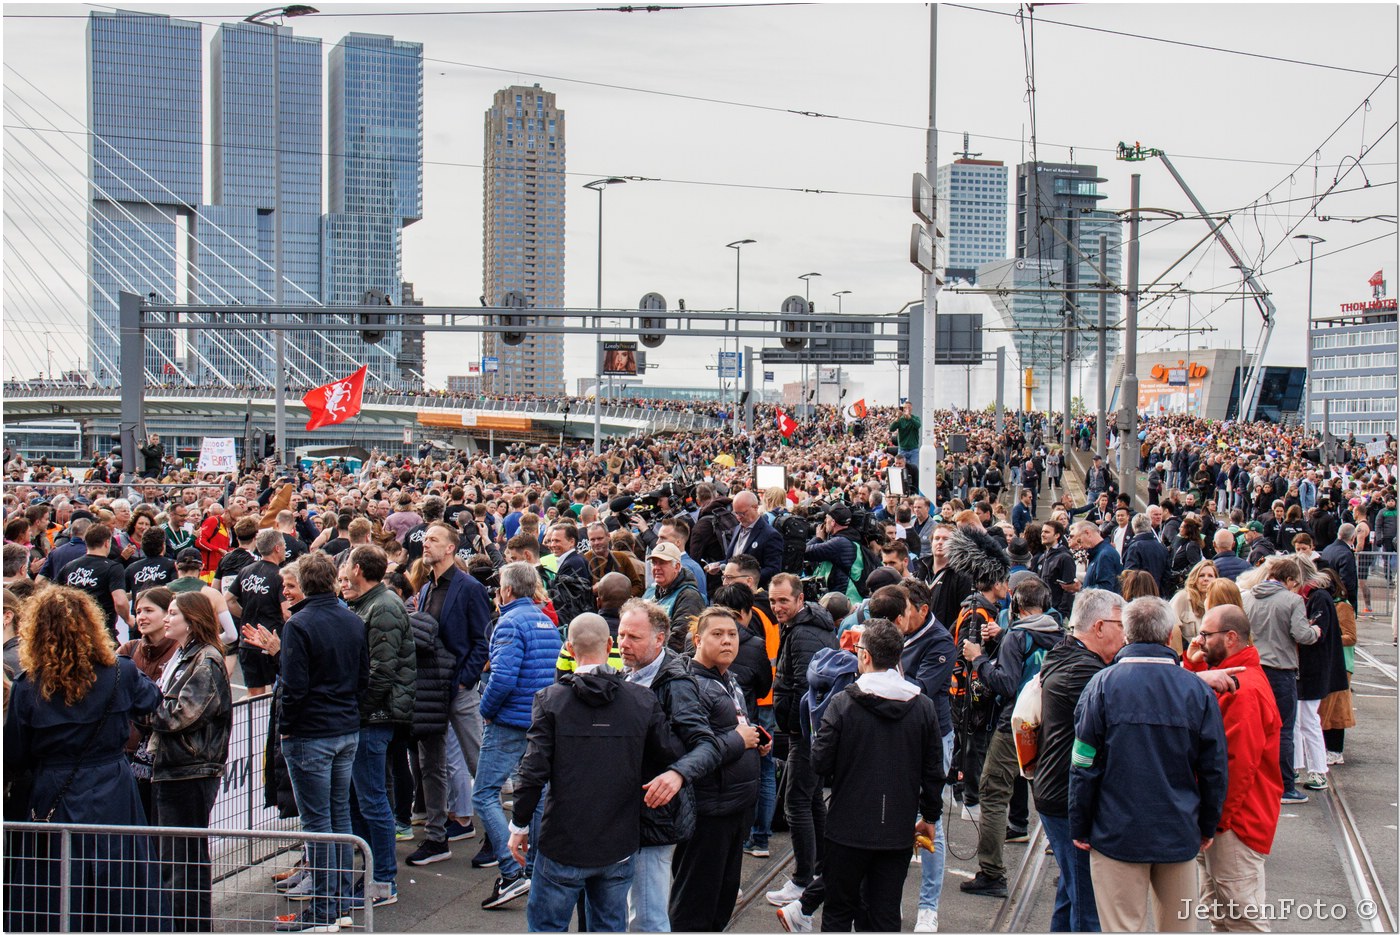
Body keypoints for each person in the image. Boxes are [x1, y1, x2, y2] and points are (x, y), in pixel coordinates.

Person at [4, 586, 166, 931]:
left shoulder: (27, 685)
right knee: (119, 875)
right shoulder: (120, 673)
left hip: (54, 787)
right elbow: (152, 701)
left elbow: (15, 753)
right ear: (91, 626)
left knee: (56, 880)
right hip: (112, 784)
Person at [507, 614, 681, 933]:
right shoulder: (641, 700)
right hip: (618, 840)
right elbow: (668, 754)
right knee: (609, 925)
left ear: (569, 649)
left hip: (563, 841)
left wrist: (519, 824)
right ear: (610, 645)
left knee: (547, 926)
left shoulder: (551, 701)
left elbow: (532, 771)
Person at [1070, 596, 1229, 933]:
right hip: (1178, 829)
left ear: (1126, 633)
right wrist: (1207, 825)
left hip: (1116, 832)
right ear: (1170, 633)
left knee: (1122, 926)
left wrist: (1080, 824)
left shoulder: (1101, 686)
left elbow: (1084, 763)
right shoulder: (1196, 691)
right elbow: (1215, 768)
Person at [808, 619, 944, 933]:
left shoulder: (843, 703)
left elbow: (819, 761)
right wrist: (930, 816)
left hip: (847, 826)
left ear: (865, 656)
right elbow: (933, 770)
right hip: (896, 827)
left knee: (839, 911)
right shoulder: (922, 706)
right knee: (884, 913)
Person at [274, 553, 369, 934]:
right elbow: (363, 676)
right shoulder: (351, 619)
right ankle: (337, 904)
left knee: (319, 822)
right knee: (337, 817)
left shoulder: (299, 624)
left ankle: (324, 911)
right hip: (343, 727)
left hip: (313, 732)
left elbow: (294, 687)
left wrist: (287, 726)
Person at [617, 598, 722, 933]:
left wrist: (677, 774)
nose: (623, 643)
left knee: (648, 918)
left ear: (659, 639)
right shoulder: (626, 673)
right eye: (621, 635)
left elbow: (707, 746)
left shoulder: (676, 683)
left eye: (634, 637)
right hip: (626, 813)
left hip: (656, 817)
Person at [958, 574, 1062, 898]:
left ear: (1015, 605)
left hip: (1014, 725)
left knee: (992, 792)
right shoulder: (1059, 634)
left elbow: (1005, 683)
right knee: (1048, 795)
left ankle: (991, 872)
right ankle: (1068, 863)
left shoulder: (1018, 637)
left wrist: (979, 659)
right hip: (1052, 724)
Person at [1183, 604, 1283, 932]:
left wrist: (1216, 822)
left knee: (1241, 917)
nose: (1198, 641)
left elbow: (1236, 764)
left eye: (1205, 634)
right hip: (1228, 820)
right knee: (1222, 912)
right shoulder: (1235, 677)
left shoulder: (1244, 689)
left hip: (1234, 823)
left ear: (1229, 638)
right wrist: (1191, 664)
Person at [1033, 589, 1125, 932]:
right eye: (1121, 624)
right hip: (1067, 796)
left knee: (1073, 891)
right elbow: (1129, 698)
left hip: (1058, 791)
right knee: (1089, 904)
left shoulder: (1068, 653)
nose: (1125, 633)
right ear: (1099, 627)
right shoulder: (1086, 673)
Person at [670, 608, 764, 931]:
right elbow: (695, 751)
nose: (727, 641)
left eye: (733, 634)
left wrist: (755, 739)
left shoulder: (727, 678)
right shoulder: (691, 684)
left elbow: (734, 725)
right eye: (718, 634)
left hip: (735, 808)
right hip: (709, 811)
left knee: (721, 903)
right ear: (697, 640)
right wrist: (740, 740)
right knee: (695, 905)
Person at [476, 561, 563, 911]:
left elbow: (503, 677)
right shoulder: (545, 620)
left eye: (499, 586)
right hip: (538, 719)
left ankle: (513, 872)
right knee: (537, 796)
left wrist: (485, 710)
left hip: (510, 720)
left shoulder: (509, 622)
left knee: (482, 794)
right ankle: (535, 869)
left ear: (508, 590)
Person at [405, 521, 491, 867]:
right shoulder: (426, 587)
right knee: (431, 765)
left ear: (451, 548)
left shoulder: (468, 587)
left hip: (457, 688)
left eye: (434, 540)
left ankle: (497, 835)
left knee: (478, 762)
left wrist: (464, 680)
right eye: (425, 539)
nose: (427, 544)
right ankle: (437, 836)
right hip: (431, 689)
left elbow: (482, 639)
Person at [151, 591, 233, 932]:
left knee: (184, 861)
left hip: (190, 768)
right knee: (176, 859)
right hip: (177, 766)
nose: (167, 619)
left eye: (173, 613)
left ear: (192, 620)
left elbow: (180, 715)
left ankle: (191, 927)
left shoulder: (206, 660)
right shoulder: (186, 656)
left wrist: (143, 704)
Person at [340, 544, 416, 910]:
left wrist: (358, 709)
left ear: (357, 568)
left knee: (372, 800)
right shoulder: (370, 602)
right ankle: (373, 872)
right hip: (370, 716)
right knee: (362, 799)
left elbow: (381, 671)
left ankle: (383, 879)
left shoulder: (383, 605)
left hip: (375, 718)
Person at [765, 572, 839, 910]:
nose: (777, 607)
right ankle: (823, 870)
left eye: (783, 600)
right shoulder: (803, 625)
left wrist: (794, 726)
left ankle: (802, 879)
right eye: (772, 601)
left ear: (799, 599)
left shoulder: (803, 631)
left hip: (806, 732)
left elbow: (807, 689)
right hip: (810, 730)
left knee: (797, 802)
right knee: (810, 802)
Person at [1241, 557, 1321, 805]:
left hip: (1252, 667)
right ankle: (1285, 785)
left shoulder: (1246, 597)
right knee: (1284, 729)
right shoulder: (1293, 600)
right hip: (1280, 668)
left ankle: (1252, 781)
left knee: (1253, 727)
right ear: (1290, 580)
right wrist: (1315, 631)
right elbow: (1301, 634)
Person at [228, 529, 286, 698]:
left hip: (248, 640)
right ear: (277, 548)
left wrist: (245, 615)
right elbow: (286, 612)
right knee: (279, 691)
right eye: (283, 546)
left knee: (254, 695)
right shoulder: (280, 575)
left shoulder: (246, 571)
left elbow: (229, 599)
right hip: (271, 641)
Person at [57, 521, 130, 642]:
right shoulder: (113, 567)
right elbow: (120, 601)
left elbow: (53, 595)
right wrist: (128, 618)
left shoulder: (69, 566)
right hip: (102, 633)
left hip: (73, 632)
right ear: (107, 543)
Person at [643, 542, 706, 653]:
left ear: (677, 567)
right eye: (654, 563)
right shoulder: (652, 592)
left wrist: (652, 656)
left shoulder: (689, 597)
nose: (656, 568)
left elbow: (679, 640)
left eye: (662, 563)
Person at [1122, 513, 1170, 595]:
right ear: (1149, 526)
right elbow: (1167, 575)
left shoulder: (1134, 547)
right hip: (1159, 594)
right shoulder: (1161, 547)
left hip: (1140, 595)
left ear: (1134, 528)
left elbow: (1130, 575)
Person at [1069, 522, 1122, 595]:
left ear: (1087, 533)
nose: (1080, 546)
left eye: (1079, 541)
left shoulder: (1105, 555)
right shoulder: (1098, 553)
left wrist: (1080, 589)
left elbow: (1105, 589)